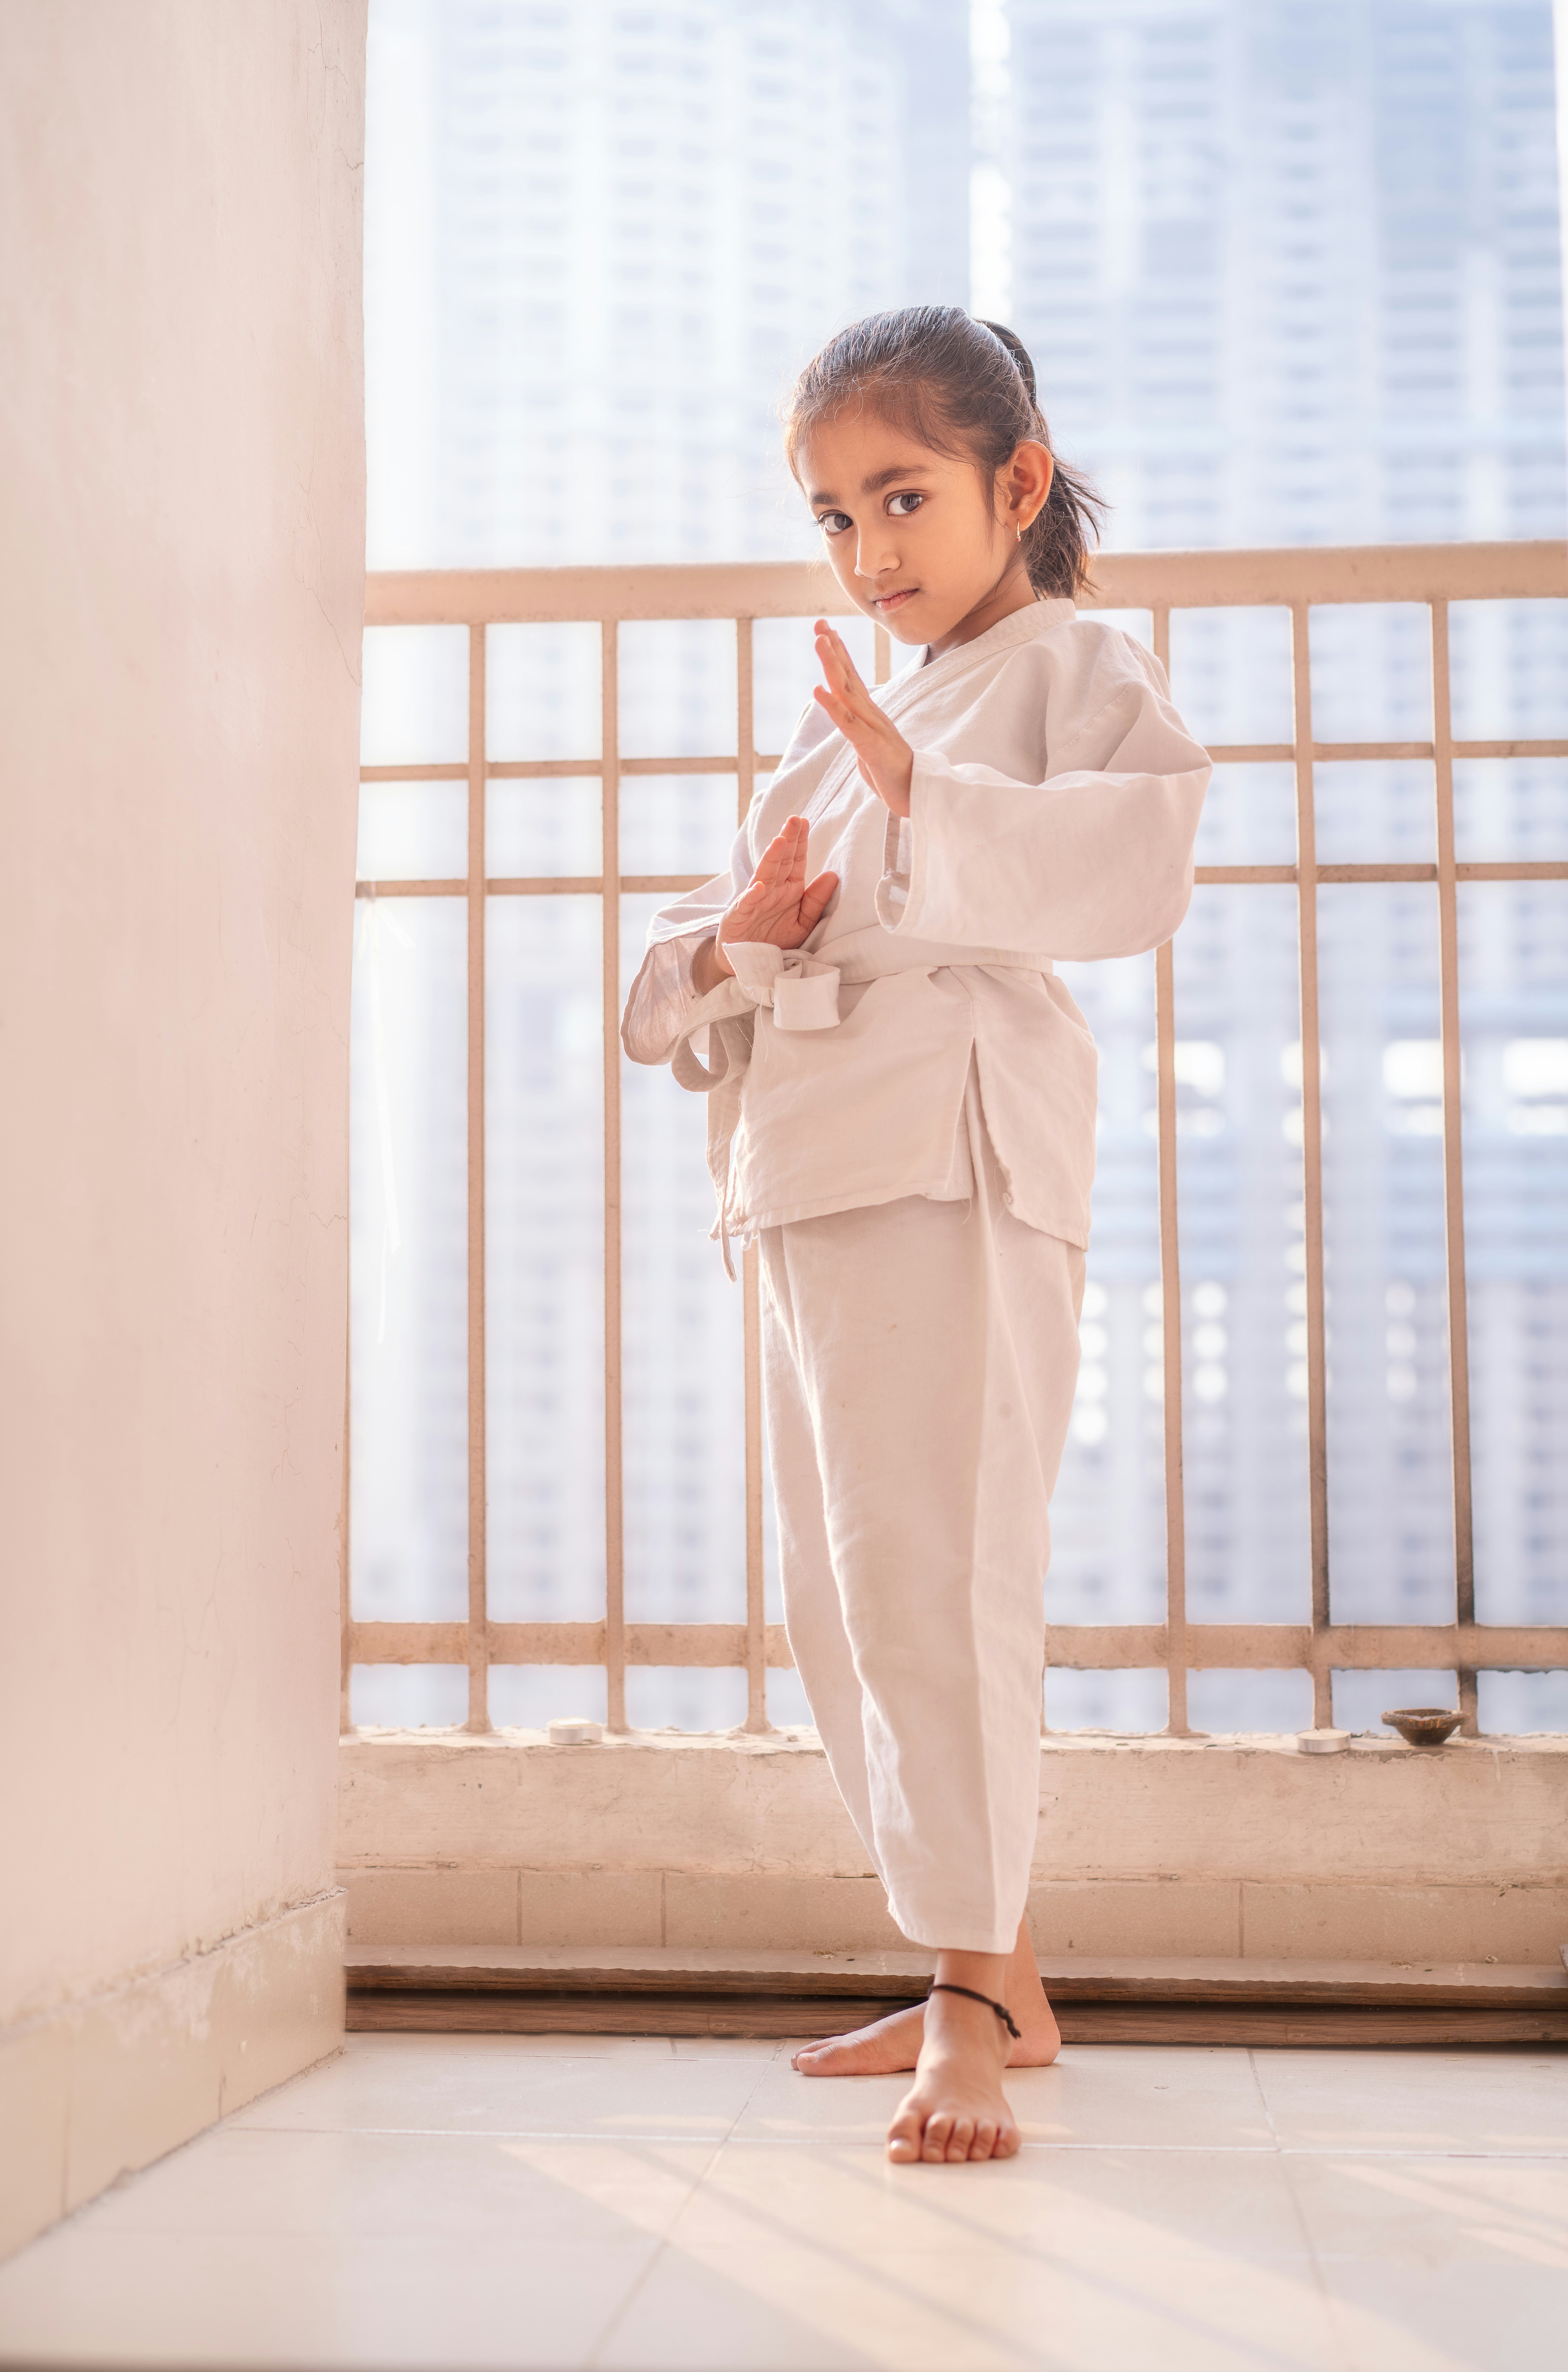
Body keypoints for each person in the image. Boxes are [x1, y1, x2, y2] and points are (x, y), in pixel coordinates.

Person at [622, 306, 1210, 2165]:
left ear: (1012, 484)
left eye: (902, 498)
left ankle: (969, 1992)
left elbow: (1138, 861)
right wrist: (745, 938)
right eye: (832, 515)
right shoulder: (819, 738)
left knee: (947, 1572)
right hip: (802, 1172)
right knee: (858, 1597)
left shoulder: (1064, 664)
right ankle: (998, 1969)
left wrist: (917, 797)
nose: (870, 551)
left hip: (948, 1160)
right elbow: (666, 992)